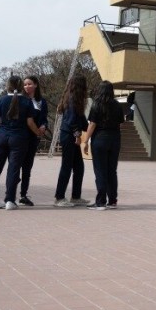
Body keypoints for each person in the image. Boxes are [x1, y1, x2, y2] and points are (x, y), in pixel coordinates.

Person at [0, 75, 40, 210]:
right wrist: (38, 132)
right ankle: (10, 200)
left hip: (2, 137)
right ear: (20, 86)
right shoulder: (27, 101)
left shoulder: (2, 100)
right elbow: (30, 122)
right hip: (19, 138)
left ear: (8, 86)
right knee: (14, 169)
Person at [81, 80, 123, 210]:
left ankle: (100, 201)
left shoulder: (97, 105)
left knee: (100, 171)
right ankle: (112, 200)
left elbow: (92, 124)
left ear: (99, 91)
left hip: (99, 139)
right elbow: (120, 124)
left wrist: (86, 140)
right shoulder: (117, 105)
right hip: (115, 139)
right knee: (112, 170)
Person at [53, 73, 89, 207]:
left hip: (70, 134)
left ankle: (75, 196)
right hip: (69, 135)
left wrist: (91, 128)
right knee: (67, 167)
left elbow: (82, 120)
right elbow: (72, 120)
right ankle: (59, 197)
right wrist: (78, 135)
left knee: (79, 167)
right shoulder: (73, 99)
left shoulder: (74, 99)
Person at [18, 75, 49, 207]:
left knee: (27, 167)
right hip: (20, 136)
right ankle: (10, 195)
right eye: (25, 84)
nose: (27, 87)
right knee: (16, 166)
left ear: (36, 85)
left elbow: (44, 118)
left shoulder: (42, 101)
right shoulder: (20, 100)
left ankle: (23, 194)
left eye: (29, 84)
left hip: (33, 138)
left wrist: (43, 126)